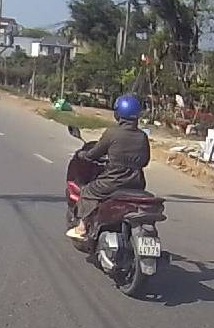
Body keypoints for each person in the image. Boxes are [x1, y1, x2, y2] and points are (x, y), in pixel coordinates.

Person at [65, 94, 151, 241]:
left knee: (87, 191)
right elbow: (145, 161)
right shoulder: (142, 136)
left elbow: (94, 154)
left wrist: (83, 155)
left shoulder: (112, 133)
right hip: (137, 182)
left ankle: (82, 227)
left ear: (118, 114)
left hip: (112, 181)